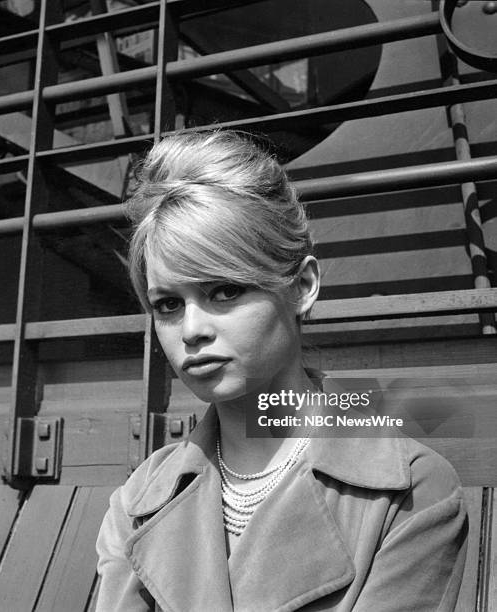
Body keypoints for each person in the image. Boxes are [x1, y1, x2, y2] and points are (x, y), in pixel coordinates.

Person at [95, 130, 468, 611]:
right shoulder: (139, 501)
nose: (191, 330)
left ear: (304, 286)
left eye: (224, 291)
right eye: (167, 304)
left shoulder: (411, 492)